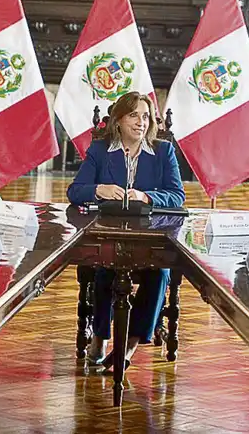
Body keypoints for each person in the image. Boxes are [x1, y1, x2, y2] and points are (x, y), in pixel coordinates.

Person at [67, 91, 185, 370]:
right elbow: (75, 191)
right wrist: (99, 189)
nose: (141, 122)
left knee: (159, 274)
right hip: (109, 234)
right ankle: (100, 337)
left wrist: (146, 197)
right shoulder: (99, 150)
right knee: (106, 270)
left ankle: (129, 347)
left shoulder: (163, 151)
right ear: (118, 120)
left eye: (146, 116)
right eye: (133, 115)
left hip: (151, 237)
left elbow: (177, 196)